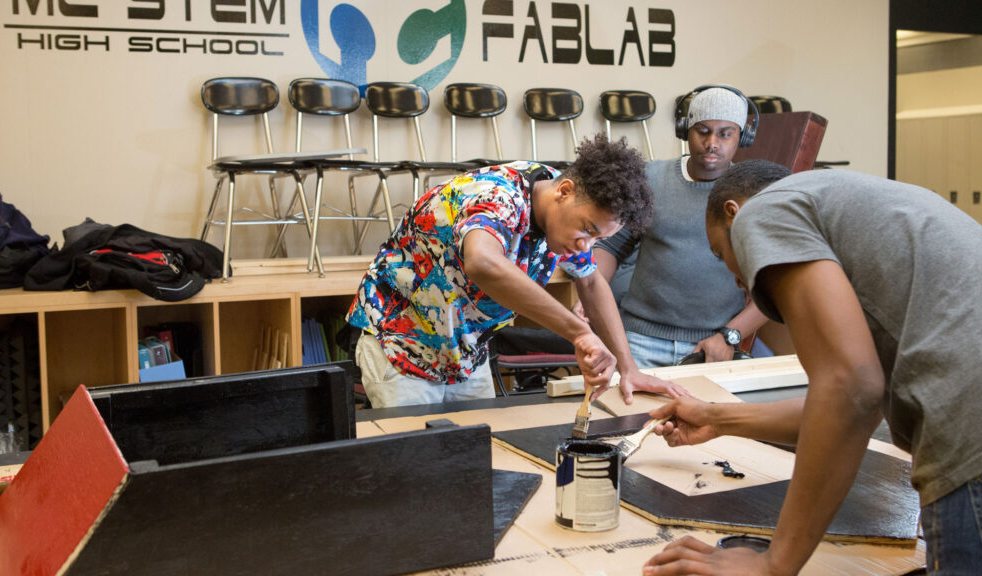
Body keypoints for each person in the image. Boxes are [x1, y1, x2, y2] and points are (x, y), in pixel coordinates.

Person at [643, 160, 982, 575]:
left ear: (733, 213)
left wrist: (773, 564)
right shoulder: (853, 213)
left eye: (720, 253)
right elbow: (845, 407)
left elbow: (850, 390)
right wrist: (716, 418)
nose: (735, 278)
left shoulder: (762, 212)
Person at [344, 134, 688, 408]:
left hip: (466, 356)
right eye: (587, 230)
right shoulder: (499, 196)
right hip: (401, 349)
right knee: (414, 465)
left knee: (478, 458)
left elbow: (591, 281)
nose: (586, 245)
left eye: (598, 239)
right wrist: (579, 333)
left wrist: (628, 368)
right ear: (564, 192)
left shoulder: (567, 204)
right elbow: (482, 262)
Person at [580, 85, 773, 402]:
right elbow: (611, 246)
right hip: (638, 341)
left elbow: (773, 283)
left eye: (725, 134)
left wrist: (730, 336)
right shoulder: (650, 179)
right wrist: (592, 290)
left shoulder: (752, 193)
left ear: (743, 137)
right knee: (628, 421)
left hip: (711, 348)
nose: (712, 143)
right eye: (703, 131)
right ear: (685, 130)